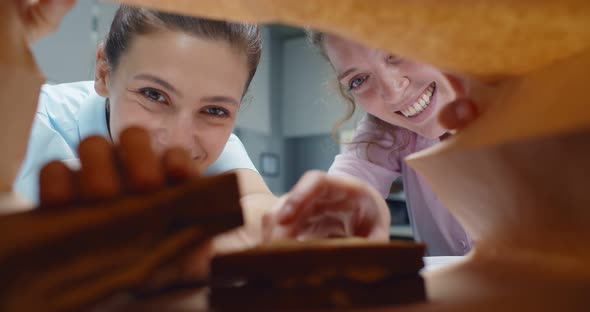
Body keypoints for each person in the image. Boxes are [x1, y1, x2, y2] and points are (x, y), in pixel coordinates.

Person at [12, 4, 277, 249]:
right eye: (153, 95)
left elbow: (261, 206)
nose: (178, 142)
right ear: (104, 72)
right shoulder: (27, 125)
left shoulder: (215, 141)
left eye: (214, 110)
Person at [263, 31, 489, 256]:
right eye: (358, 80)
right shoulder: (389, 130)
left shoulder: (518, 99)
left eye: (395, 53)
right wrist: (324, 214)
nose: (392, 93)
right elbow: (346, 184)